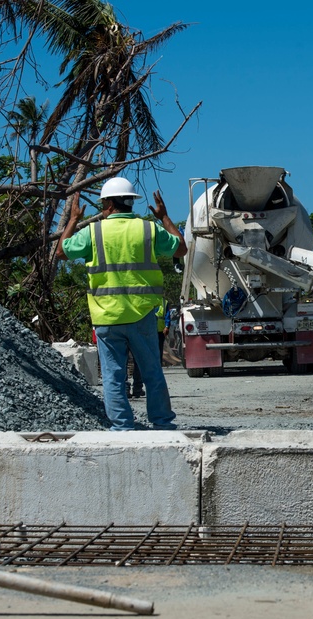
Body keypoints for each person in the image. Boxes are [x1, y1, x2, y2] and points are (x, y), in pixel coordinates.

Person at [56, 177, 187, 430]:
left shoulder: (93, 232)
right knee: (152, 373)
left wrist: (72, 219)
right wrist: (164, 217)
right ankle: (162, 424)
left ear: (107, 203)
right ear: (130, 203)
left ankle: (123, 428)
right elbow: (180, 250)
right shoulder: (148, 229)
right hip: (142, 315)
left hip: (107, 317)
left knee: (114, 377)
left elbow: (61, 252)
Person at [129, 303, 168, 398]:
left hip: (154, 332)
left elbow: (167, 315)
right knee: (140, 361)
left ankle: (135, 388)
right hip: (144, 332)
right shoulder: (149, 297)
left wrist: (166, 325)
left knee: (137, 361)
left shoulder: (163, 301)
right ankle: (139, 388)